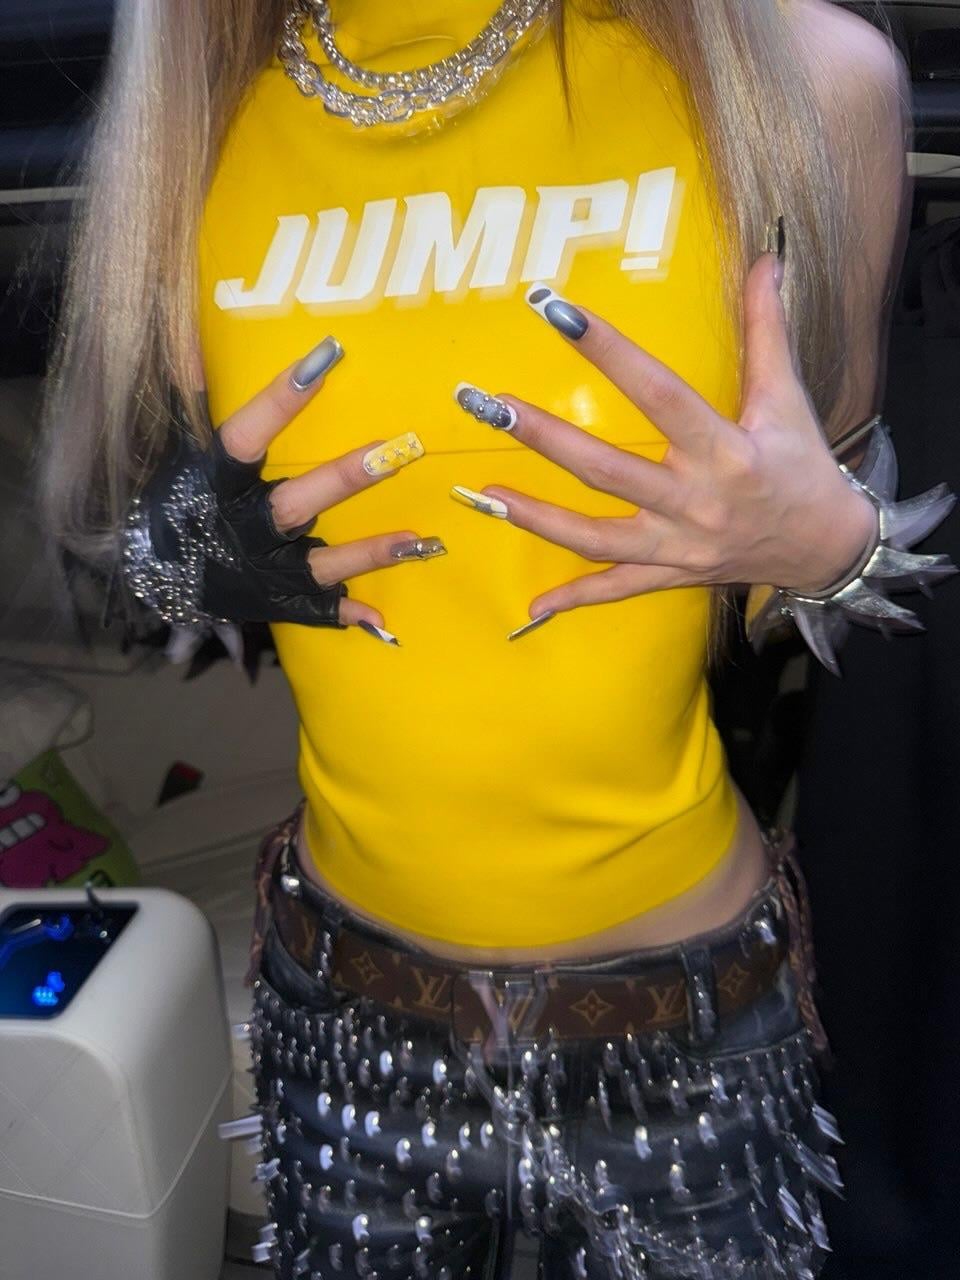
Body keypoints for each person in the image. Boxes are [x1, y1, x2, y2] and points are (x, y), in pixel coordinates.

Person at [37, 1, 950, 1276]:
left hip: (684, 1032)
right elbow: (179, 534)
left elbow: (817, 517)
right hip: (344, 1014)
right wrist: (172, 561)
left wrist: (835, 547)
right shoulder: (196, 110)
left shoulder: (805, 70)